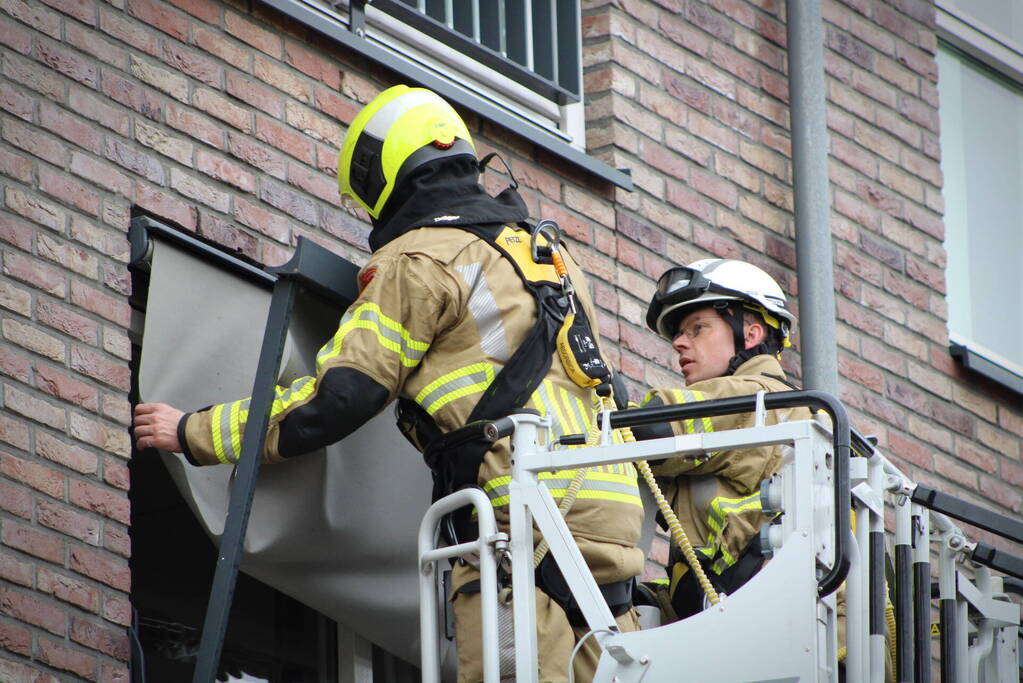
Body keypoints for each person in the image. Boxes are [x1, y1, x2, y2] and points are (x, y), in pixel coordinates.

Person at [132, 84, 644, 682]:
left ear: (387, 175)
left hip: (520, 529)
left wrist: (195, 430)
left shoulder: (417, 261)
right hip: (611, 526)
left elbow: (340, 396)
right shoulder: (548, 256)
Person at [634, 258, 810, 621]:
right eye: (679, 333)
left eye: (698, 328)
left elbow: (653, 428)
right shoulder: (787, 408)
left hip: (755, 619)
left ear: (751, 334)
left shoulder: (755, 400)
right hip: (749, 611)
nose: (679, 343)